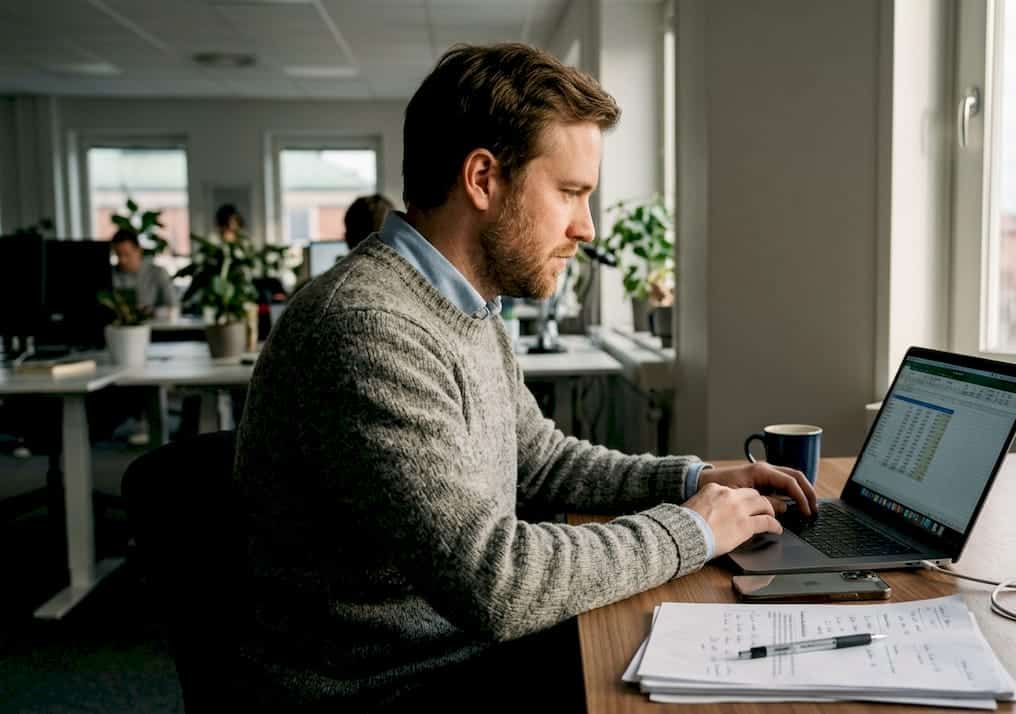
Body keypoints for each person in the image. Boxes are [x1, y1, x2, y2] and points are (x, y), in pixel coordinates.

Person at [232, 43, 817, 710]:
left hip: (454, 653)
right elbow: (498, 581)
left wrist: (693, 481)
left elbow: (538, 460)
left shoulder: (464, 304)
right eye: (570, 192)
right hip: (384, 687)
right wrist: (695, 530)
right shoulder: (367, 328)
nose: (587, 227)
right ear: (483, 178)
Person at [110, 229, 177, 320]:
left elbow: (173, 308)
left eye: (127, 254)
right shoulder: (110, 274)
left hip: (152, 329)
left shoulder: (158, 273)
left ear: (139, 250)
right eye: (118, 255)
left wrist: (150, 312)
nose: (122, 260)